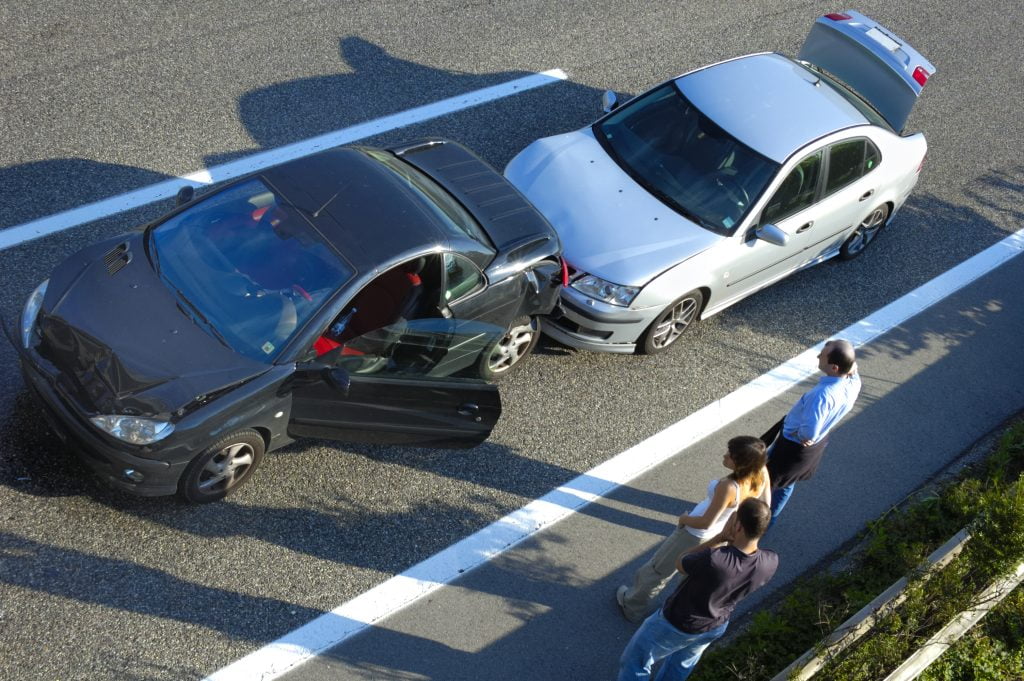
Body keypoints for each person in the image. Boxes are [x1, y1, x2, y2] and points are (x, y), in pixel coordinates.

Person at [617, 498, 779, 681]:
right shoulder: (770, 561)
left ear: (739, 526)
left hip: (677, 622)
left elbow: (681, 562)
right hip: (715, 625)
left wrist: (720, 538)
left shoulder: (715, 559)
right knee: (678, 667)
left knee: (636, 660)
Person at [616, 436, 770, 623]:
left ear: (742, 463)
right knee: (689, 575)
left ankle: (632, 606)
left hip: (694, 534)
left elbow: (706, 522)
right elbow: (765, 503)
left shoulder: (729, 486)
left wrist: (684, 519)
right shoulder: (759, 476)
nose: (725, 455)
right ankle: (671, 609)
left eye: (730, 455)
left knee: (658, 570)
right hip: (716, 536)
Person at [764, 339, 860, 521]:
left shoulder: (822, 395)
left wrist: (796, 433)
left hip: (790, 448)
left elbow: (808, 433)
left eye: (823, 356)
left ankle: (751, 522)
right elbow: (853, 366)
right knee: (786, 484)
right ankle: (770, 519)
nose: (818, 356)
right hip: (812, 450)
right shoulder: (853, 384)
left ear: (835, 368)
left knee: (767, 483)